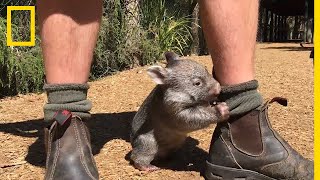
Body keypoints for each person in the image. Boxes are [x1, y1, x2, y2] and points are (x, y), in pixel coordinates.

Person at [36, 0, 314, 179]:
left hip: (172, 129)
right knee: (147, 144)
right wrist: (213, 114)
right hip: (154, 135)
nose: (209, 86)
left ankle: (243, 114)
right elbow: (185, 118)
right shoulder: (173, 99)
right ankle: (67, 116)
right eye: (198, 83)